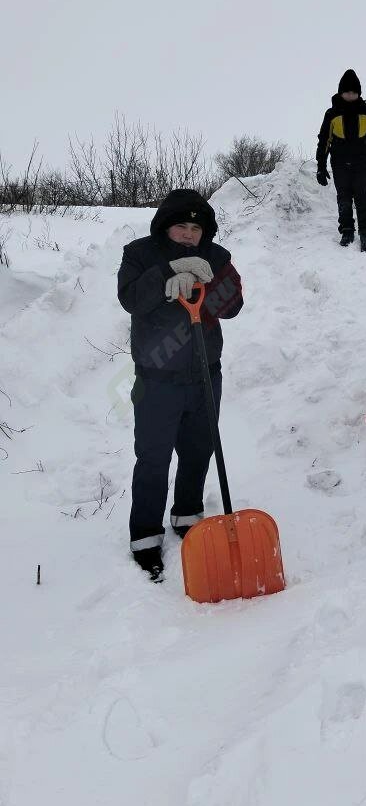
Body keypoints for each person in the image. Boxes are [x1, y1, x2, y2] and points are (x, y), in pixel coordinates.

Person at [117, 189, 243, 581]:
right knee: (153, 457)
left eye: (196, 228)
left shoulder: (218, 256)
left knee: (197, 449)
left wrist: (204, 282)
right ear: (164, 226)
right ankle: (146, 535)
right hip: (156, 380)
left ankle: (188, 516)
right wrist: (168, 274)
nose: (190, 234)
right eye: (181, 226)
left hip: (206, 374)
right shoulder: (139, 254)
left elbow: (232, 304)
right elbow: (131, 299)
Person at [316, 68, 366, 251]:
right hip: (339, 164)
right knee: (343, 198)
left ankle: (365, 233)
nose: (350, 95)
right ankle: (347, 230)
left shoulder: (364, 111)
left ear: (358, 93)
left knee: (362, 198)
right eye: (347, 91)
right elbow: (324, 141)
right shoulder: (332, 114)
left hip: (360, 163)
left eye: (353, 92)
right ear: (341, 92)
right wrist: (321, 165)